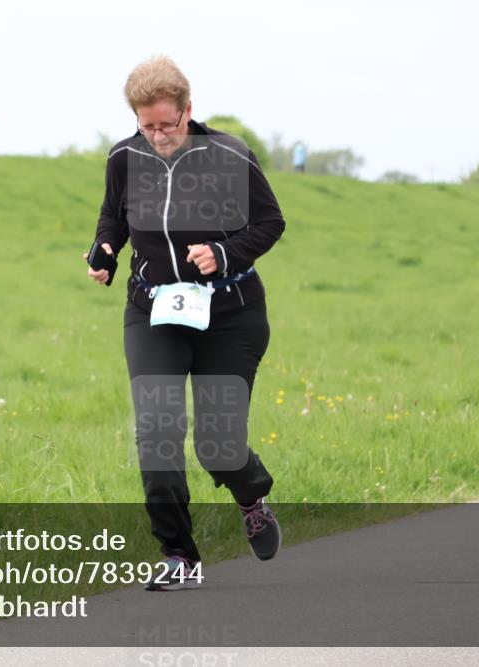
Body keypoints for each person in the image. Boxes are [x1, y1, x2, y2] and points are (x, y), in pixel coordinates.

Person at [83, 55, 285, 591]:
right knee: (156, 430)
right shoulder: (125, 157)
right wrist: (104, 250)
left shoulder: (229, 155)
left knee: (217, 444)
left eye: (166, 125)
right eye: (146, 126)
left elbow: (270, 222)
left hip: (230, 314)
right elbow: (113, 216)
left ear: (188, 111)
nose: (156, 136)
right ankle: (179, 554)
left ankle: (251, 496)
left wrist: (225, 253)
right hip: (154, 312)